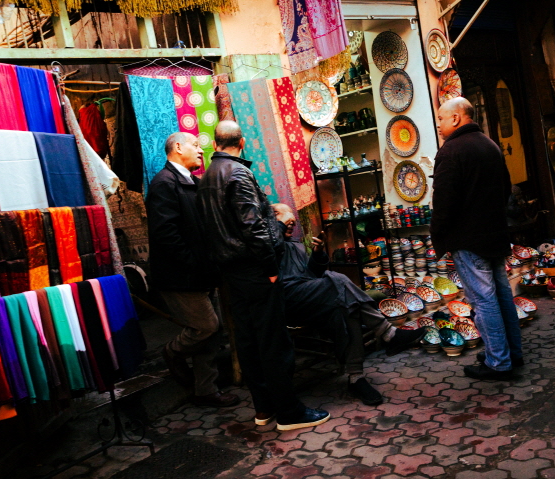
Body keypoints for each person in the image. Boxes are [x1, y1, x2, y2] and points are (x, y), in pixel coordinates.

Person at [197, 121, 329, 431]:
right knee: (272, 342)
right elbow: (253, 227)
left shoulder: (206, 178)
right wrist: (270, 269)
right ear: (241, 142)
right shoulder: (238, 173)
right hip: (254, 271)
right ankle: (288, 412)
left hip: (231, 275)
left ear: (216, 143)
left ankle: (264, 409)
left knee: (249, 342)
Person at [272, 204, 424, 405]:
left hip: (311, 298)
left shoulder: (296, 245)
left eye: (292, 223)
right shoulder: (267, 245)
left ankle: (356, 378)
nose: (290, 227)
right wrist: (277, 228)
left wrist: (318, 252)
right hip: (290, 302)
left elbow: (312, 275)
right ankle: (388, 332)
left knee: (347, 307)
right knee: (337, 278)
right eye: (286, 223)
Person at [430, 97, 524, 380]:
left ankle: (499, 362)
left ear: (457, 118)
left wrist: (439, 239)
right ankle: (511, 353)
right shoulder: (490, 145)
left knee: (484, 301)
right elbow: (506, 188)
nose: (439, 125)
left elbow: (444, 203)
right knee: (502, 295)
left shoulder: (451, 151)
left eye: (442, 120)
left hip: (469, 239)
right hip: (494, 233)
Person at [146, 132, 238, 407]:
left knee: (210, 336)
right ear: (177, 147)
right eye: (196, 146)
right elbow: (166, 235)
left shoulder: (191, 182)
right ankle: (172, 352)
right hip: (180, 276)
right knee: (207, 326)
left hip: (200, 272)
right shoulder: (164, 184)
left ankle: (205, 391)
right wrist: (195, 263)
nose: (201, 151)